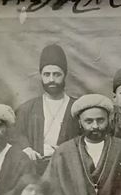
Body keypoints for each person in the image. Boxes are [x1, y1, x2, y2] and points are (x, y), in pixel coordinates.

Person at [13, 44, 80, 173]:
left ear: (65, 75)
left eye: (57, 74)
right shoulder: (26, 109)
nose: (51, 79)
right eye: (47, 74)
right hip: (34, 170)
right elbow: (16, 135)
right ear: (41, 76)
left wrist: (66, 151)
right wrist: (26, 149)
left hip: (67, 171)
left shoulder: (77, 107)